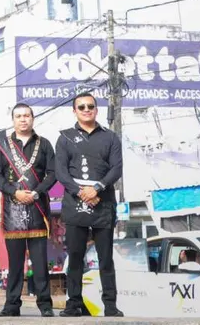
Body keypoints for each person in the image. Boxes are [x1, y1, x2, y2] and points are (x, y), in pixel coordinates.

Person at [55, 93, 123, 318]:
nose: (86, 110)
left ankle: (110, 305)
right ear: (74, 111)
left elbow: (116, 168)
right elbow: (61, 172)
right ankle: (74, 303)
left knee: (106, 258)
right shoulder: (65, 138)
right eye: (81, 107)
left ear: (96, 109)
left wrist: (98, 188)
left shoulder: (110, 137)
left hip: (103, 202)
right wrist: (82, 192)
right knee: (75, 257)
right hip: (75, 202)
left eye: (90, 106)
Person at [0, 103, 57, 318]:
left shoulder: (44, 144)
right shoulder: (2, 145)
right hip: (13, 208)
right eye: (18, 116)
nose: (23, 119)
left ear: (32, 118)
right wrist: (14, 192)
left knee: (40, 262)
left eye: (26, 115)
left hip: (37, 207)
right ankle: (12, 305)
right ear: (13, 120)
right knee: (15, 263)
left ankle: (45, 304)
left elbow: (52, 173)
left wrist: (37, 192)